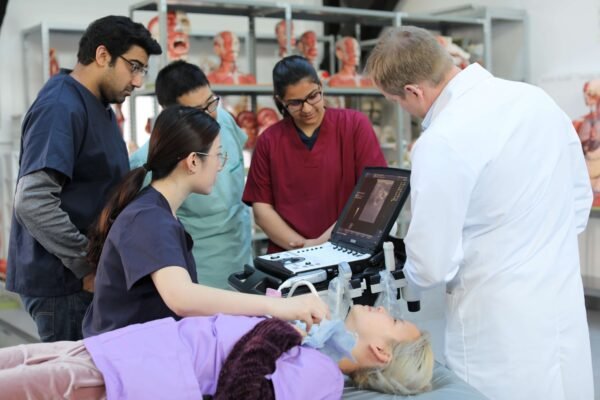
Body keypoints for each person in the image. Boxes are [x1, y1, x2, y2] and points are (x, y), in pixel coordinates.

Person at [365, 26, 594, 399]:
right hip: (559, 293)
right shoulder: (535, 99)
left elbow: (432, 266)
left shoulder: (441, 140)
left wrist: (407, 271)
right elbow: (579, 201)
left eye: (396, 101)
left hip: (497, 319)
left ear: (413, 91)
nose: (402, 109)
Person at [83, 106, 327, 337]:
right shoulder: (149, 218)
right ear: (193, 161)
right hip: (122, 354)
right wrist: (278, 306)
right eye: (217, 155)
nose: (219, 166)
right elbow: (182, 298)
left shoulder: (158, 210)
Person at [6, 15, 162, 342]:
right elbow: (33, 201)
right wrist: (86, 264)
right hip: (65, 285)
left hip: (85, 278)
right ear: (103, 55)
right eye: (134, 67)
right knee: (78, 372)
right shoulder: (61, 107)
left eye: (143, 71)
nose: (137, 81)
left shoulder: (99, 105)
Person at [0, 305, 433, 399]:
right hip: (124, 350)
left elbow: (243, 395)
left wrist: (277, 331)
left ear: (381, 352)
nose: (383, 309)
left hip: (133, 377)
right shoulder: (314, 344)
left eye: (393, 319)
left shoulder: (324, 376)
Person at [243, 55, 386, 253]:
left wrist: (324, 242)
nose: (307, 108)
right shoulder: (269, 141)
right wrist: (305, 248)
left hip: (347, 249)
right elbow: (262, 209)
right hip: (291, 254)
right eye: (295, 103)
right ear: (280, 101)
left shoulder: (354, 125)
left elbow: (375, 193)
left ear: (321, 87)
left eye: (313, 96)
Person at [129, 60, 252, 289]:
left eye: (211, 103)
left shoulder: (223, 119)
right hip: (201, 275)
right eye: (198, 112)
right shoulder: (149, 161)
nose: (210, 117)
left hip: (244, 261)